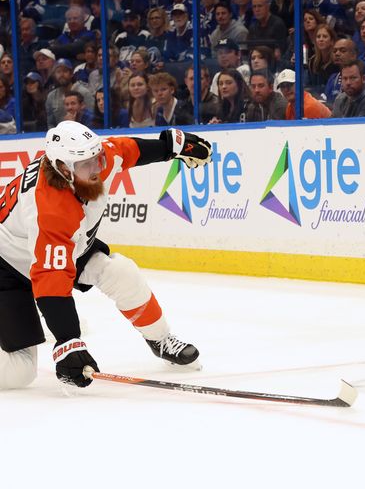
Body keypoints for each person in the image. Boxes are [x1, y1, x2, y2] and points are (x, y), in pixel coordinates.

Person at [0, 122, 211, 390]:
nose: (97, 169)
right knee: (20, 372)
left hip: (64, 245)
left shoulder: (94, 160)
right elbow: (51, 278)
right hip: (7, 265)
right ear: (63, 169)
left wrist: (172, 147)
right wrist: (68, 343)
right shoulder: (51, 209)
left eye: (96, 158)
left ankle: (161, 339)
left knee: (121, 272)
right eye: (85, 165)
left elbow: (128, 150)